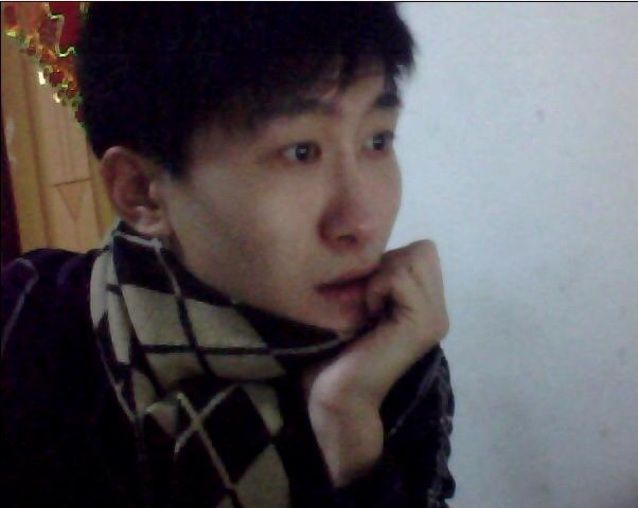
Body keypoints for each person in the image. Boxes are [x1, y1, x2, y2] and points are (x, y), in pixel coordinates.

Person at [1, 4, 455, 507]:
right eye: (301, 151)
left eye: (377, 140)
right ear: (142, 191)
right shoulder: (28, 321)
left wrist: (347, 426)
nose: (361, 223)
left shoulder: (392, 361)